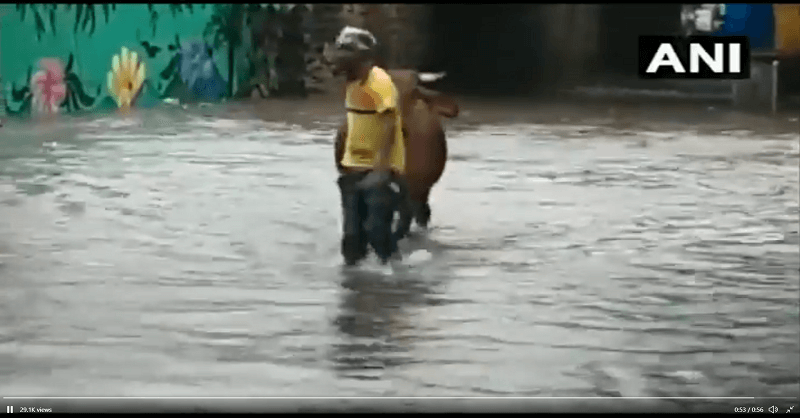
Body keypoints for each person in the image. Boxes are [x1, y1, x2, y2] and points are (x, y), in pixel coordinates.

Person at [327, 26, 407, 267]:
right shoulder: (351, 84)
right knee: (351, 239)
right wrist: (344, 164)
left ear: (359, 59)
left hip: (378, 169)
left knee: (376, 231)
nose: (337, 65)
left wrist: (382, 168)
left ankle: (394, 277)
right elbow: (353, 125)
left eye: (344, 59)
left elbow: (389, 124)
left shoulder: (379, 82)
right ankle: (353, 290)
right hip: (353, 167)